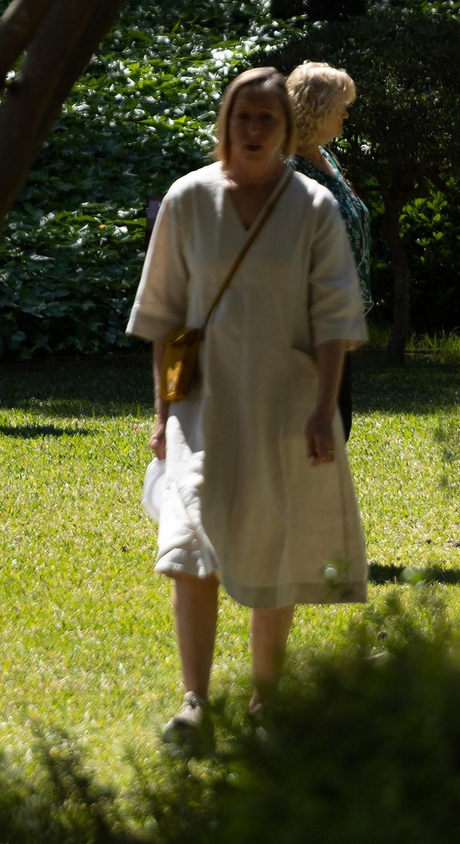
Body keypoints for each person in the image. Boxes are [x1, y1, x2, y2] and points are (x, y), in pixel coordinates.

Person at [127, 66, 370, 735]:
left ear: (287, 129)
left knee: (275, 548)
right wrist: (162, 413)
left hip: (283, 408)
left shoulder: (313, 209)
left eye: (268, 118)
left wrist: (323, 409)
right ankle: (195, 703)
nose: (255, 129)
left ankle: (265, 703)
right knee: (187, 548)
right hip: (200, 409)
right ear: (225, 125)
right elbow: (166, 316)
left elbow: (334, 318)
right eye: (244, 117)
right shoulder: (187, 200)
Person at [284, 61, 371, 440]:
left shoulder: (325, 157)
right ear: (316, 110)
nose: (346, 114)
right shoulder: (290, 168)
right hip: (309, 319)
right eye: (341, 106)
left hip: (338, 312)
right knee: (321, 422)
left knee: (339, 421)